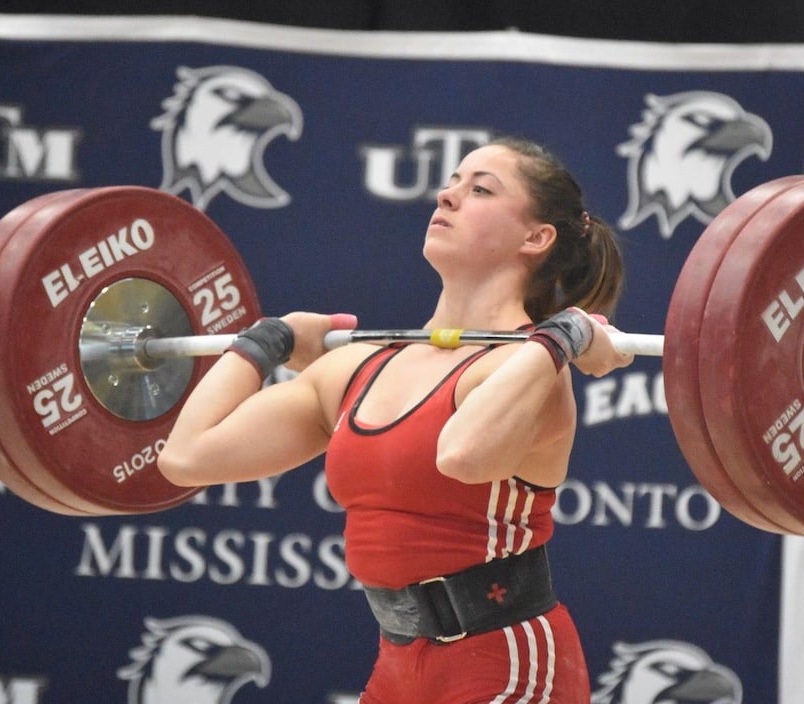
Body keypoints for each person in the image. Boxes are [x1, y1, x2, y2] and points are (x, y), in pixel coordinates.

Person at [158, 135, 633, 703]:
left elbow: (463, 456)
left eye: (480, 189)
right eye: (452, 183)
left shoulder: (530, 371)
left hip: (508, 660)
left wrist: (563, 333)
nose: (448, 196)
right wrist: (268, 340)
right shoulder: (358, 367)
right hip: (398, 664)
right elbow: (187, 457)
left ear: (536, 237)